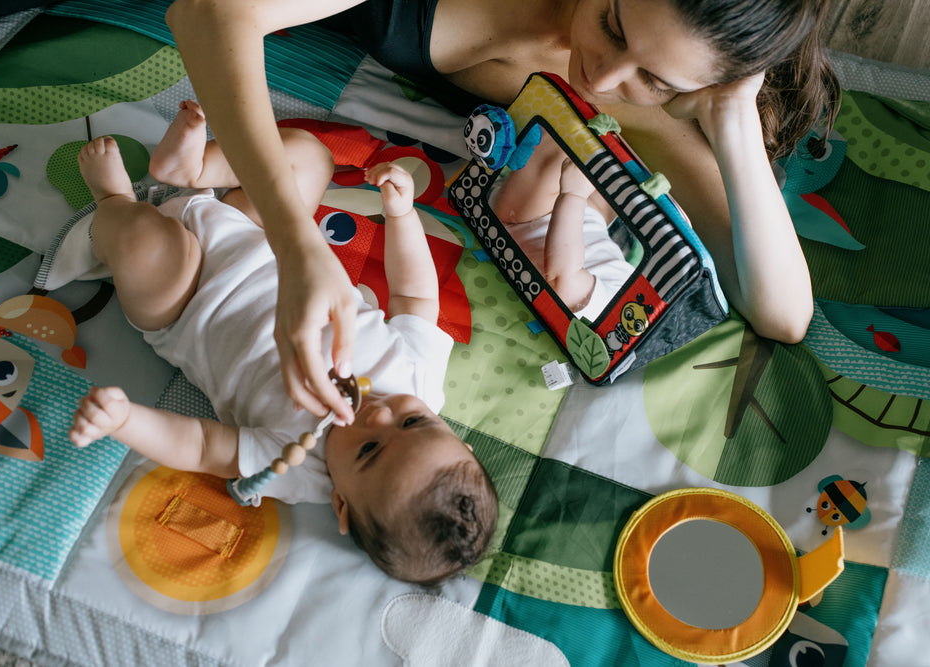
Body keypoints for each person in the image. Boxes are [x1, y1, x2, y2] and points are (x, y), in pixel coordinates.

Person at [164, 0, 840, 420]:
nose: (604, 79)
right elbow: (210, 13)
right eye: (612, 23)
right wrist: (296, 245)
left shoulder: (651, 108)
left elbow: (782, 313)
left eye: (655, 79)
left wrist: (732, 119)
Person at [65, 102, 498, 585]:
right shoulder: (420, 374)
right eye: (413, 421)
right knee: (309, 158)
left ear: (340, 503)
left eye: (369, 449)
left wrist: (127, 421)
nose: (378, 413)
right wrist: (400, 216)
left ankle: (113, 200)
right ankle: (195, 168)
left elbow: (202, 445)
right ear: (451, 431)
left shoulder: (297, 466)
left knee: (142, 242)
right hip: (262, 233)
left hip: (183, 296)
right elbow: (414, 294)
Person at [492, 141, 632, 322]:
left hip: (527, 223)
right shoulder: (639, 304)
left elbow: (562, 279)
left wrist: (574, 194)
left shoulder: (614, 318)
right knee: (622, 177)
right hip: (589, 221)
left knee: (565, 146)